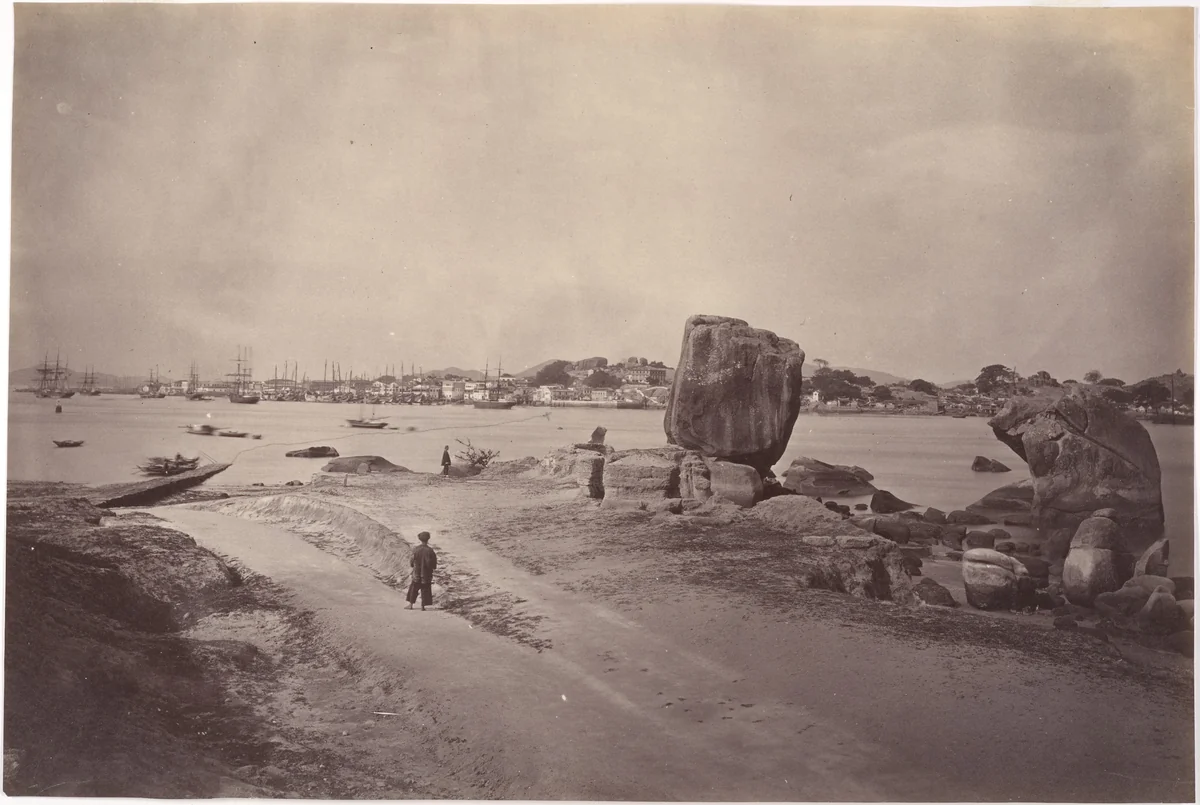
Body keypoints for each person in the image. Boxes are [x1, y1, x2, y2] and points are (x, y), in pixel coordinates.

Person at [405, 531, 438, 610]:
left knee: (413, 588)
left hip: (416, 573)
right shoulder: (430, 550)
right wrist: (432, 568)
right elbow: (434, 563)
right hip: (426, 574)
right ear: (428, 539)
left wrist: (412, 565)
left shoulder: (416, 549)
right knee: (425, 589)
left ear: (419, 539)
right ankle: (423, 606)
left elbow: (412, 560)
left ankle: (410, 605)